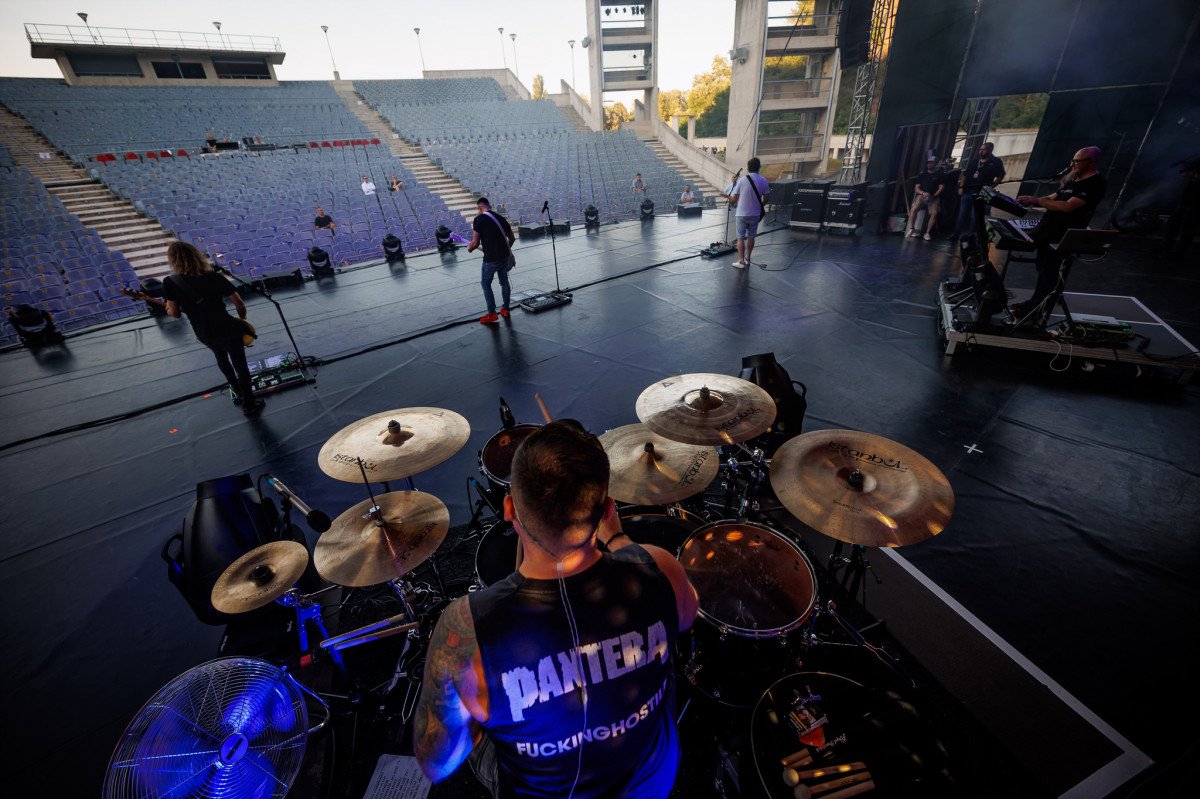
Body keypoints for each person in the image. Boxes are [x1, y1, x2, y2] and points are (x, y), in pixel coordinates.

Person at [414, 419, 699, 797]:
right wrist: (616, 536)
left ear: (509, 508)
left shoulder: (467, 627)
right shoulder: (659, 567)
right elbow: (687, 615)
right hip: (653, 782)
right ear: (608, 508)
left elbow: (437, 763)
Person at [161, 241, 264, 417]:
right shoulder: (214, 276)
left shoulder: (170, 282)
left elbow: (176, 313)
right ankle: (249, 404)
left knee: (221, 358)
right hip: (226, 327)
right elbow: (239, 304)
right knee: (240, 365)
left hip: (203, 331)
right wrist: (242, 320)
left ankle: (239, 394)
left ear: (173, 260)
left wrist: (168, 310)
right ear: (196, 255)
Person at [1011, 146, 1107, 318]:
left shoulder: (1096, 182)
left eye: (1077, 161)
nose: (1072, 164)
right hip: (1049, 230)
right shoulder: (1074, 180)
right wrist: (1028, 201)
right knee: (1043, 268)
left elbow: (1068, 206)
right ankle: (1037, 302)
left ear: (1091, 161)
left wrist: (1037, 200)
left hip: (1062, 234)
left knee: (1049, 270)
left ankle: (1037, 308)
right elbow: (1054, 198)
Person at [468, 197, 515, 324]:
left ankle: (492, 314)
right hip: (504, 256)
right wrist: (507, 249)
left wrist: (470, 249)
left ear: (479, 208)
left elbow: (475, 242)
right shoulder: (500, 218)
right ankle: (505, 309)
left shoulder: (479, 220)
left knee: (485, 283)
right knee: (504, 281)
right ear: (489, 205)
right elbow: (512, 238)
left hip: (490, 259)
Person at [949, 142, 1005, 239]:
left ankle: (970, 237)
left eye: (984, 150)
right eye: (980, 149)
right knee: (961, 215)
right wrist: (961, 187)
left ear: (990, 150)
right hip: (968, 191)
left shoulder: (995, 162)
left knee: (974, 216)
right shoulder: (975, 161)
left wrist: (991, 187)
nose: (981, 152)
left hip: (981, 193)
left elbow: (1000, 176)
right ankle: (955, 235)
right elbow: (965, 175)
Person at [729, 157, 770, 268]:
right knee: (751, 236)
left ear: (748, 168)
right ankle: (747, 259)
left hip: (742, 213)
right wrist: (760, 205)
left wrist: (730, 199)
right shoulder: (763, 180)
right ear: (759, 167)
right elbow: (766, 198)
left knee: (740, 237)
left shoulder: (742, 180)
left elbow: (734, 199)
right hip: (755, 214)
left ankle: (741, 261)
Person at [1159, 158, 1199, 259]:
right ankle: (1167, 248)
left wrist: (1193, 174)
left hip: (1195, 202)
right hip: (1187, 200)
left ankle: (1179, 251)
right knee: (1174, 223)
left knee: (1187, 227)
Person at [907, 158, 944, 240]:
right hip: (923, 195)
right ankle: (912, 229)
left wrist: (934, 196)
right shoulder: (923, 175)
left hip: (934, 196)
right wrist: (923, 193)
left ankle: (927, 233)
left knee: (934, 213)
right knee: (914, 209)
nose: (929, 164)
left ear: (935, 164)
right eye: (928, 163)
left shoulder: (940, 175)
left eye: (931, 163)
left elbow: (941, 188)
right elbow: (916, 188)